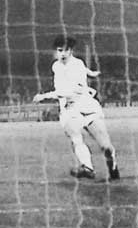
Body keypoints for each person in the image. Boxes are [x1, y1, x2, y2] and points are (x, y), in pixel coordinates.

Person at [33, 35, 120, 180]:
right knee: (75, 137)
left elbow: (69, 91)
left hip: (86, 106)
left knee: (105, 146)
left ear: (71, 51)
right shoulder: (56, 66)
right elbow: (81, 74)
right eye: (60, 50)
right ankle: (87, 167)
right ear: (56, 51)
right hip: (69, 110)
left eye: (66, 50)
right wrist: (91, 73)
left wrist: (44, 96)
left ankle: (113, 167)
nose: (63, 54)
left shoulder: (77, 64)